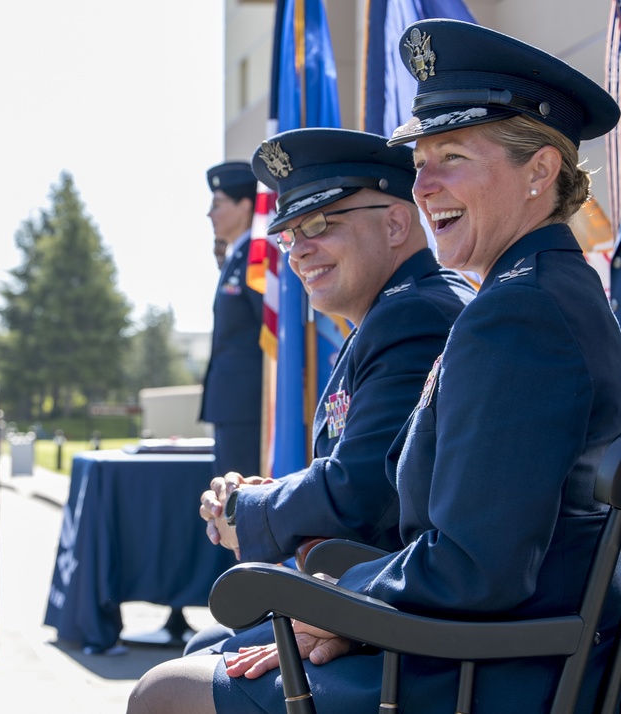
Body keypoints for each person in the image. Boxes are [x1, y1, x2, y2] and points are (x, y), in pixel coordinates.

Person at [128, 19, 621, 713]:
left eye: (452, 156)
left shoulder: (520, 312)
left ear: (539, 171)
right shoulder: (536, 292)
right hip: (494, 643)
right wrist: (340, 602)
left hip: (495, 667)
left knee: (164, 693)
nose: (424, 186)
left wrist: (339, 605)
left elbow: (475, 567)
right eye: (420, 163)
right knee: (202, 666)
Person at [182, 128, 475, 657]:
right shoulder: (390, 313)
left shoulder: (412, 316)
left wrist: (249, 509)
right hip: (383, 596)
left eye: (319, 224)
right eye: (289, 236)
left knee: (180, 675)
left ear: (395, 223)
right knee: (205, 648)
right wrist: (270, 493)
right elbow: (371, 467)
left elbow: (365, 487)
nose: (298, 252)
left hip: (411, 620)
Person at [200, 161, 264, 478]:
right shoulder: (236, 257)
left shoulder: (256, 259)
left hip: (247, 407)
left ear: (244, 206)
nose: (209, 214)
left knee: (239, 493)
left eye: (217, 204)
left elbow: (268, 330)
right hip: (231, 405)